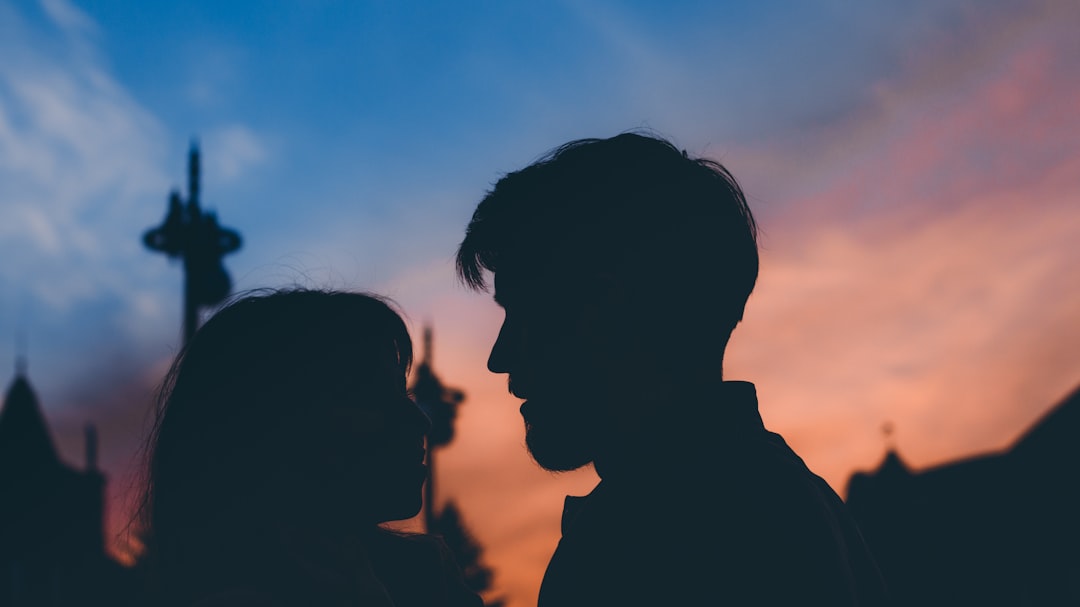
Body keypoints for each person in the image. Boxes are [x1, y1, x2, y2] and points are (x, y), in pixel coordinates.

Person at [456, 133, 893, 605]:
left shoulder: (656, 538)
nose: (499, 358)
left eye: (523, 312)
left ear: (607, 307)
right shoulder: (788, 504)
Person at [134, 289, 483, 607]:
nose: (420, 421)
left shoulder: (428, 579)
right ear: (276, 425)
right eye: (373, 397)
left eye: (403, 394)